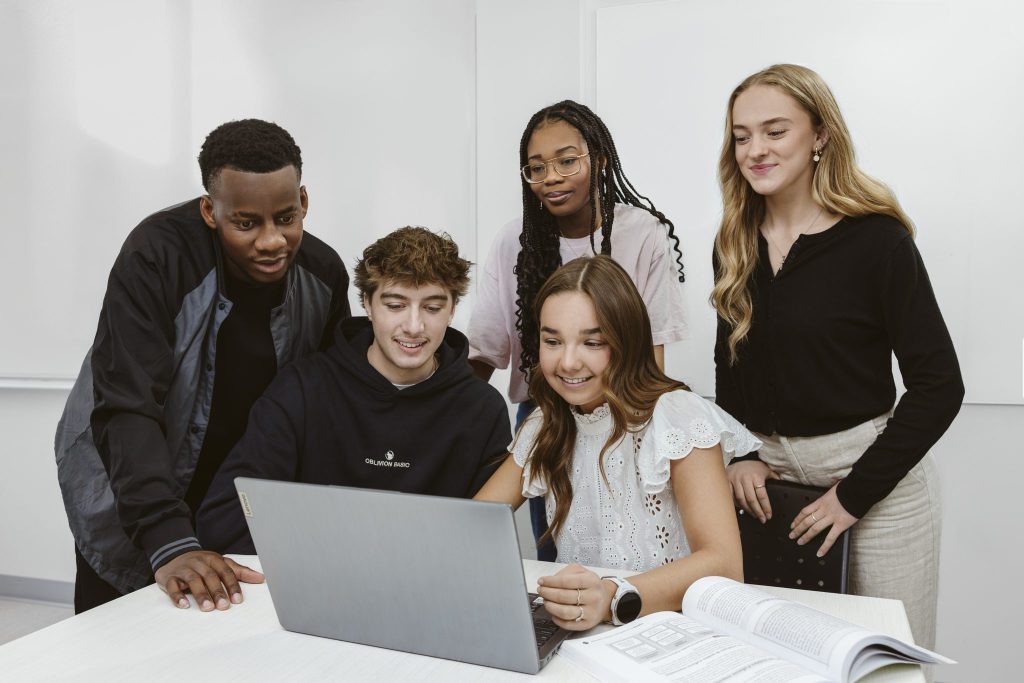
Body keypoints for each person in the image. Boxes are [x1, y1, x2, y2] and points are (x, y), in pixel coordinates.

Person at [712, 64, 964, 652]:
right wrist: (741, 452)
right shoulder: (734, 241)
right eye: (742, 136)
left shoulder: (877, 241)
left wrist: (853, 497)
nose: (755, 150)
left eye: (775, 131)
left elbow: (940, 386)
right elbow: (730, 368)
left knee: (887, 666)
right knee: (782, 660)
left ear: (820, 135)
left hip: (877, 486)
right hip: (773, 490)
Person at [54, 119, 350, 613]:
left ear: (303, 201)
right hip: (130, 490)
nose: (272, 241)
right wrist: (168, 540)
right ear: (211, 211)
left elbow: (324, 404)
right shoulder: (157, 256)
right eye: (246, 223)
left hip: (231, 506)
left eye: (285, 217)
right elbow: (127, 403)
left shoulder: (324, 274)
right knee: (118, 637)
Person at [475, 255, 754, 630]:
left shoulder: (678, 416)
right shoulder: (544, 424)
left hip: (674, 628)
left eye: (592, 342)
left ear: (627, 342)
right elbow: (469, 525)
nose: (568, 362)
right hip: (582, 631)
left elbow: (725, 564)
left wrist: (611, 596)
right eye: (552, 341)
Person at [197, 227, 512, 555]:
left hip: (430, 582)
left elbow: (485, 542)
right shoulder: (303, 389)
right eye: (395, 305)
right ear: (367, 303)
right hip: (313, 578)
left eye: (432, 308)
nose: (414, 326)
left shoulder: (483, 410)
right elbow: (224, 519)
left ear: (453, 309)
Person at [468, 99, 689, 559]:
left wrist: (644, 430)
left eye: (567, 161)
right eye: (536, 167)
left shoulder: (642, 234)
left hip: (628, 417)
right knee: (559, 555)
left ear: (600, 159)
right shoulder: (514, 240)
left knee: (638, 547)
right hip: (546, 414)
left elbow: (651, 358)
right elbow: (483, 353)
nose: (551, 177)